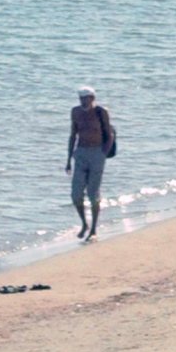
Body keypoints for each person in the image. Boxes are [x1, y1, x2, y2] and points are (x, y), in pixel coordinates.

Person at [65, 86, 117, 240]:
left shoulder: (101, 111)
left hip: (96, 153)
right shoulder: (75, 112)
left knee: (93, 194)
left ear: (92, 98)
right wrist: (69, 159)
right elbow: (73, 134)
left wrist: (102, 153)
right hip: (80, 153)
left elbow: (109, 134)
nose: (83, 101)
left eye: (85, 98)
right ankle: (84, 224)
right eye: (80, 98)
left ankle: (93, 228)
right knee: (76, 195)